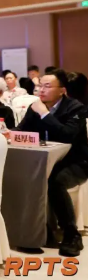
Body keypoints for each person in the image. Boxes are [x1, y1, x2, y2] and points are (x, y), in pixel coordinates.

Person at [13, 69, 88, 256]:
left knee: (55, 181)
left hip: (76, 162)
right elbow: (21, 130)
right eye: (40, 86)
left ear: (62, 90)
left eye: (47, 86)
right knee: (23, 177)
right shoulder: (35, 107)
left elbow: (67, 136)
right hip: (42, 160)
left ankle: (72, 235)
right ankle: (36, 231)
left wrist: (45, 114)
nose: (41, 90)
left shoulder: (76, 108)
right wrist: (9, 133)